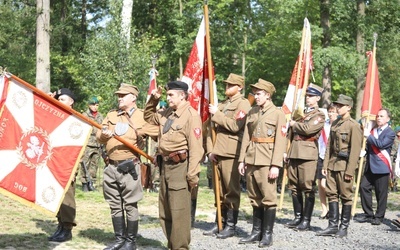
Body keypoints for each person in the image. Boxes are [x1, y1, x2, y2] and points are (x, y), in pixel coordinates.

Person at [97, 83, 158, 250]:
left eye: (123, 95)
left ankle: (130, 242)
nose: (119, 98)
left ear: (133, 97)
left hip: (130, 167)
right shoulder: (111, 115)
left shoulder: (143, 116)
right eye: (118, 95)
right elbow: (98, 136)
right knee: (115, 204)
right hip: (111, 166)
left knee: (130, 204)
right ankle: (119, 239)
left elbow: (159, 133)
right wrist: (103, 134)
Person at [144, 81, 204, 250]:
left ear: (182, 95)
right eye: (167, 94)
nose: (167, 97)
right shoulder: (168, 113)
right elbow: (148, 117)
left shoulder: (191, 116)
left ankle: (181, 247)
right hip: (165, 166)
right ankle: (172, 245)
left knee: (179, 212)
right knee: (165, 211)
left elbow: (196, 149)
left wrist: (192, 175)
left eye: (171, 95)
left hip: (181, 167)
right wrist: (153, 100)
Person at [237, 79, 286, 247]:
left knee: (268, 198)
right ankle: (256, 232)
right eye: (255, 93)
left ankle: (267, 234)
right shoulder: (252, 112)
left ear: (268, 95)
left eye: (258, 94)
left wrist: (275, 165)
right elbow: (246, 138)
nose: (255, 96)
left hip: (267, 161)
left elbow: (280, 141)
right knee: (254, 197)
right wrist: (242, 159)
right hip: (251, 159)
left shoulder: (278, 114)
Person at [203, 73, 251, 238]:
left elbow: (235, 126)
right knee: (219, 189)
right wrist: (210, 150)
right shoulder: (222, 104)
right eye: (226, 84)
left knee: (231, 190)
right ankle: (219, 222)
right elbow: (211, 129)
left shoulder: (243, 104)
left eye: (231, 85)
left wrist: (217, 113)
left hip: (231, 152)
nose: (227, 87)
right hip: (217, 151)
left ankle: (230, 225)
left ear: (240, 87)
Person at [316, 94, 362, 238]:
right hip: (332, 164)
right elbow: (329, 146)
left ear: (349, 107)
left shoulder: (354, 125)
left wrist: (350, 171)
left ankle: (344, 227)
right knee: (331, 193)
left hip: (344, 166)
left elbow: (355, 151)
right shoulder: (335, 123)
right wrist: (325, 164)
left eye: (341, 105)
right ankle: (332, 225)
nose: (337, 107)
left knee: (346, 196)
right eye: (337, 105)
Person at [285, 83, 325, 231]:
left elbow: (309, 129)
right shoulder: (300, 113)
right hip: (294, 151)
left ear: (318, 98)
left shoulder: (319, 115)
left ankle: (306, 220)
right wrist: (286, 151)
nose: (308, 98)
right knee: (294, 187)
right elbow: (290, 133)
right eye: (307, 95)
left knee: (307, 187)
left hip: (308, 154)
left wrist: (294, 124)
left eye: (312, 96)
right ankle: (298, 217)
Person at [47, 88, 78, 242]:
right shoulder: (58, 116)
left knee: (67, 196)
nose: (59, 102)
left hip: (69, 163)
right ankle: (60, 225)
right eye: (58, 100)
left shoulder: (76, 119)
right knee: (58, 195)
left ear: (71, 102)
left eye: (63, 100)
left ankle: (67, 228)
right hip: (56, 162)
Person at [356, 108, 395, 225]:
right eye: (378, 116)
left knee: (381, 193)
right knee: (363, 187)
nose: (378, 118)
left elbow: (381, 144)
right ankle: (368, 214)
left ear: (388, 119)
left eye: (382, 116)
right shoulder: (374, 131)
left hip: (381, 166)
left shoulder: (390, 133)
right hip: (370, 166)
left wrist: (369, 136)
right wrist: (364, 151)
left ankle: (379, 216)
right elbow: (370, 146)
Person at [317, 103, 338, 219]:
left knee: (326, 184)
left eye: (333, 111)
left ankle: (333, 207)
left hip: (332, 158)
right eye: (329, 111)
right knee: (320, 184)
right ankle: (324, 209)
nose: (331, 114)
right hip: (321, 155)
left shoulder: (338, 125)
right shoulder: (324, 125)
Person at [80, 96, 104, 192]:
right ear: (89, 105)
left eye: (97, 105)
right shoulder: (84, 115)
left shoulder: (100, 116)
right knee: (85, 163)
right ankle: (84, 183)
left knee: (94, 164)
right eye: (93, 105)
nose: (95, 107)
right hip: (87, 142)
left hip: (97, 143)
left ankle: (91, 182)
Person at [389, 126, 400, 192]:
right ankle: (392, 186)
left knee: (397, 173)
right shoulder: (394, 138)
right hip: (393, 157)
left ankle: (395, 184)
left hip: (398, 158)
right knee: (392, 172)